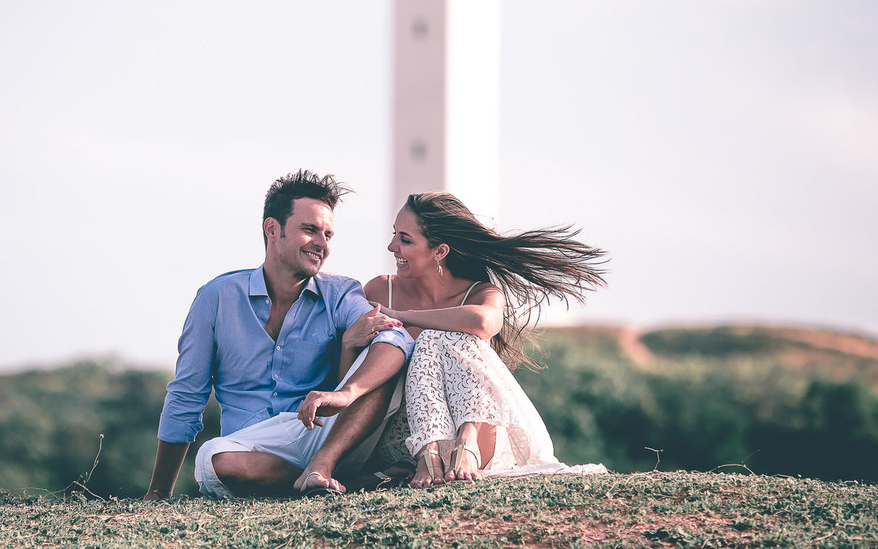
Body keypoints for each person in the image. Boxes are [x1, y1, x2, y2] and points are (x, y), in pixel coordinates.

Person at [144, 170, 413, 499]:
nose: (322, 244)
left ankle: (323, 467)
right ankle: (351, 483)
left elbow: (396, 338)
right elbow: (187, 396)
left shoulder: (341, 293)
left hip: (321, 433)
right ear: (273, 229)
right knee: (212, 460)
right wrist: (158, 494)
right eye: (310, 230)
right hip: (251, 448)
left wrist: (345, 394)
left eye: (328, 234)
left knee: (384, 364)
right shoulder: (216, 298)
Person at [361, 192, 610, 487]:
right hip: (402, 439)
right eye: (394, 235)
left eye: (405, 239)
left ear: (439, 251)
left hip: (476, 437)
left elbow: (482, 322)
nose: (392, 246)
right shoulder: (379, 290)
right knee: (432, 339)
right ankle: (427, 452)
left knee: (446, 337)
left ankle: (465, 443)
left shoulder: (482, 294)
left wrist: (405, 316)